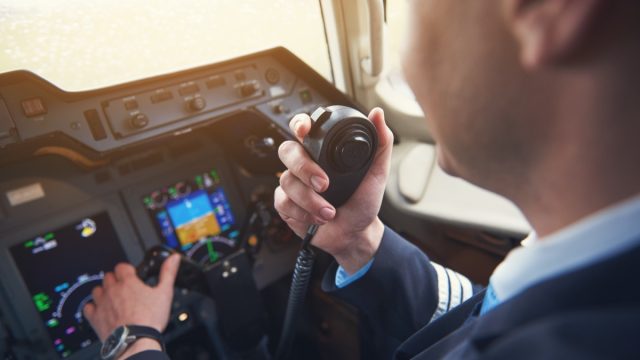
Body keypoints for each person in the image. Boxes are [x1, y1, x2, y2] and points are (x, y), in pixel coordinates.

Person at [84, 0, 640, 358]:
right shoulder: (587, 277)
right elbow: (483, 314)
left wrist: (131, 343)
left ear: (551, 10)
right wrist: (360, 241)